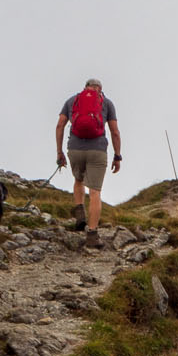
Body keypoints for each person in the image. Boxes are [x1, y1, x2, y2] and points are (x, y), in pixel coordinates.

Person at [54, 78, 122, 244]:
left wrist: (59, 152)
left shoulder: (72, 101)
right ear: (100, 89)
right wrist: (117, 155)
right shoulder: (106, 103)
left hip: (75, 149)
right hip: (97, 150)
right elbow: (115, 132)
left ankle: (80, 215)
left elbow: (60, 126)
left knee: (78, 180)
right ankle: (92, 234)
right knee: (95, 192)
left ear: (85, 87)